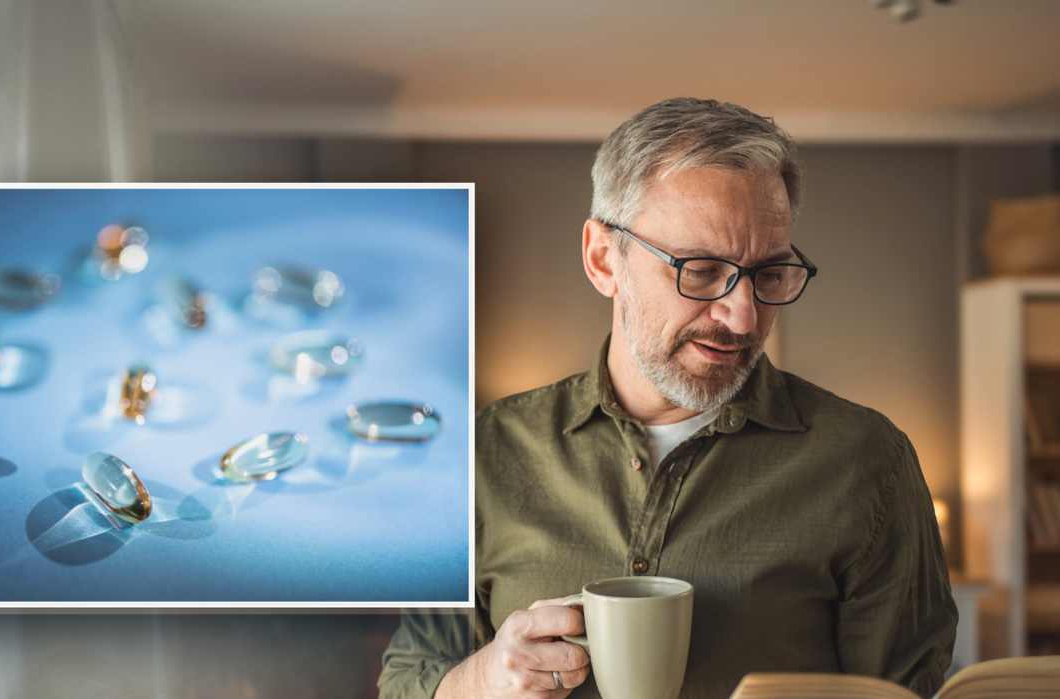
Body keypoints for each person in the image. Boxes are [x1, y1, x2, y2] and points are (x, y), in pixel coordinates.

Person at [378, 97, 957, 699]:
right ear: (604, 258)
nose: (742, 316)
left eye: (768, 273)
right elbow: (404, 682)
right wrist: (482, 679)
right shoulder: (480, 456)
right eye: (702, 270)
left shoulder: (869, 461)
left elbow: (902, 690)